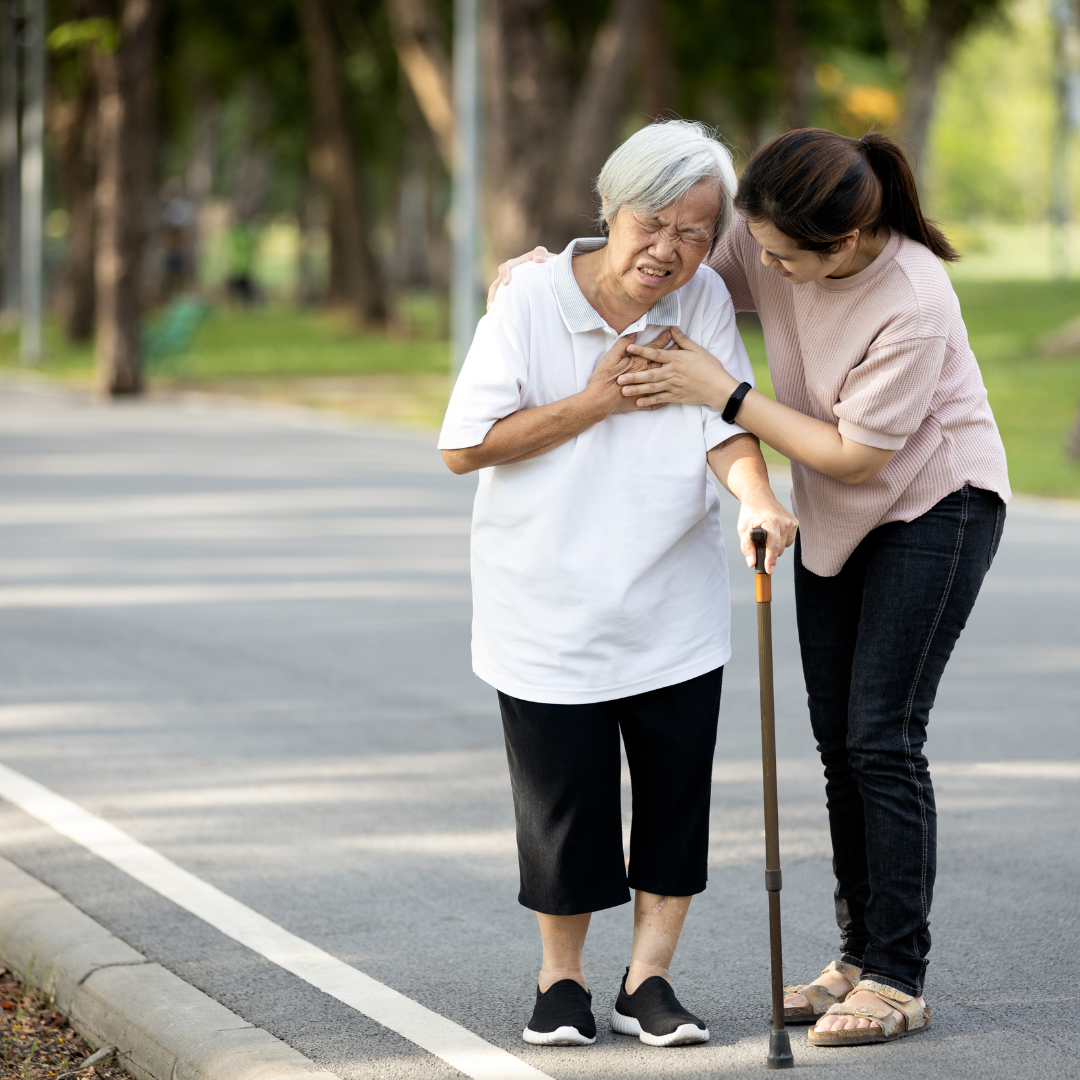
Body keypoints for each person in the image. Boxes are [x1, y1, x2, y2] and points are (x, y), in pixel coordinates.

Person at [491, 125, 1009, 1048]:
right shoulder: (768, 233)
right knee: (837, 742)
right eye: (752, 244)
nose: (753, 265)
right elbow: (659, 264)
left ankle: (895, 974)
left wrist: (722, 394)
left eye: (776, 258)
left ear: (841, 245)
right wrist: (545, 271)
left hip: (935, 505)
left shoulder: (914, 298)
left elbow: (854, 455)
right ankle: (854, 957)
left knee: (883, 737)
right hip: (839, 515)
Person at [440, 120, 797, 1049]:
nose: (669, 250)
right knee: (567, 807)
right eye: (654, 223)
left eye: (695, 231)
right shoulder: (527, 300)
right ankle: (562, 981)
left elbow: (722, 421)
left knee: (675, 797)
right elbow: (464, 445)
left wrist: (757, 495)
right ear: (610, 207)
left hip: (669, 603)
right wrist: (597, 399)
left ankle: (650, 981)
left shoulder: (703, 298)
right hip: (544, 606)